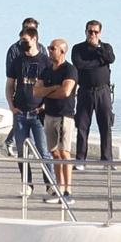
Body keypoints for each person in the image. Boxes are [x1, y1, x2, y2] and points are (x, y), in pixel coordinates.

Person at [36, 39, 78, 203]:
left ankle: (68, 190)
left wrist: (48, 91)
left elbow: (65, 92)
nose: (49, 50)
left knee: (64, 153)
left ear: (62, 51)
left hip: (64, 115)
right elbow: (36, 91)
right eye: (49, 47)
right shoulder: (46, 71)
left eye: (52, 48)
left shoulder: (69, 70)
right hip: (49, 115)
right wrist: (53, 88)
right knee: (54, 153)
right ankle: (59, 188)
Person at [70, 20, 116, 163]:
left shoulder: (106, 47)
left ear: (100, 33)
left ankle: (107, 159)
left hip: (103, 91)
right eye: (90, 31)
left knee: (105, 126)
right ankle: (80, 159)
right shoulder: (78, 48)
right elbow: (80, 65)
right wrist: (99, 62)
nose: (93, 34)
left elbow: (111, 58)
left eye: (96, 32)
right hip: (85, 91)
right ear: (85, 32)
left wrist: (98, 48)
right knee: (83, 126)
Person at [4, 28, 48, 174]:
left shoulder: (45, 61)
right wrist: (11, 106)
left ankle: (50, 184)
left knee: (43, 152)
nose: (22, 43)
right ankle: (27, 184)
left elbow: (52, 86)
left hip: (38, 113)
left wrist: (44, 106)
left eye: (25, 41)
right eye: (21, 41)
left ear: (34, 40)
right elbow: (10, 84)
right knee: (22, 153)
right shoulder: (17, 61)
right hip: (20, 113)